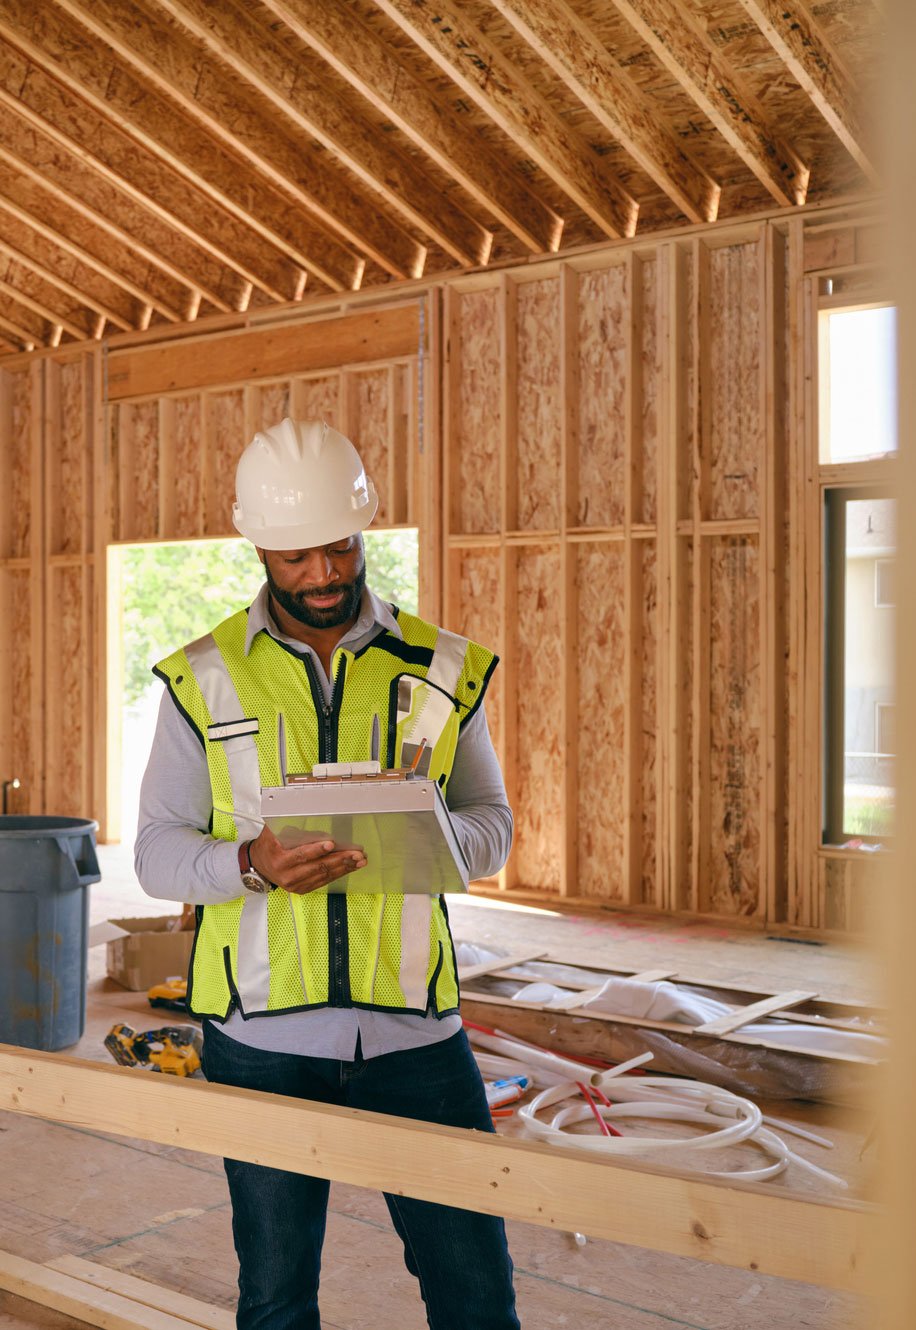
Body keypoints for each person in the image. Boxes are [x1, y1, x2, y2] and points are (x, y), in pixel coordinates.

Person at [135, 417, 520, 1330]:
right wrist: (250, 866)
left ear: (363, 534)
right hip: (260, 1040)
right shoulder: (204, 677)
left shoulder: (440, 663)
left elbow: (492, 827)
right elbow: (154, 851)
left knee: (475, 1295)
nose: (322, 577)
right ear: (259, 547)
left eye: (338, 550)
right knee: (275, 1301)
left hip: (417, 1037)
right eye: (295, 557)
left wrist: (424, 842)